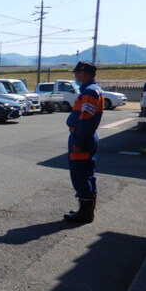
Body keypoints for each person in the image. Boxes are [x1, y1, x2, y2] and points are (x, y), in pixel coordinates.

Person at [63, 61, 104, 223]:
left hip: (82, 137)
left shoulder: (89, 92)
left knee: (80, 175)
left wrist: (78, 141)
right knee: (87, 173)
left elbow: (86, 120)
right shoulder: (94, 90)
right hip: (87, 136)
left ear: (84, 73)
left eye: (77, 73)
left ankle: (85, 213)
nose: (76, 76)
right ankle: (86, 210)